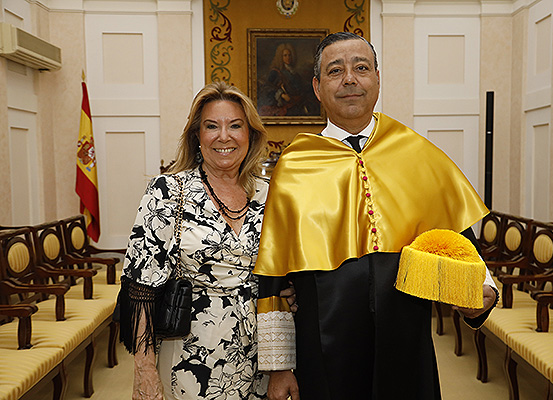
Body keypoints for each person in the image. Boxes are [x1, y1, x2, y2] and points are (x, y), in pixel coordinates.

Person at [253, 32, 499, 400]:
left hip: (406, 346)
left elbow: (463, 249)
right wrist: (279, 367)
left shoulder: (418, 154)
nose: (350, 78)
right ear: (318, 88)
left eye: (361, 67)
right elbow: (272, 281)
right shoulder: (294, 165)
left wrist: (484, 293)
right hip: (322, 353)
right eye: (335, 71)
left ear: (378, 79)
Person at [117, 82, 274, 400]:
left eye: (235, 126)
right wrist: (144, 370)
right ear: (197, 136)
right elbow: (141, 288)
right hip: (190, 358)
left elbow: (284, 279)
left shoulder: (270, 193)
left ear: (251, 134)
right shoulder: (168, 191)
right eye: (211, 126)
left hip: (260, 357)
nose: (224, 136)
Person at [258, 43, 310, 116]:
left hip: (297, 106)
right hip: (284, 108)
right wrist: (282, 95)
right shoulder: (275, 72)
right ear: (280, 57)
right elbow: (267, 88)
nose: (288, 57)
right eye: (285, 55)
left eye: (289, 55)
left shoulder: (295, 73)